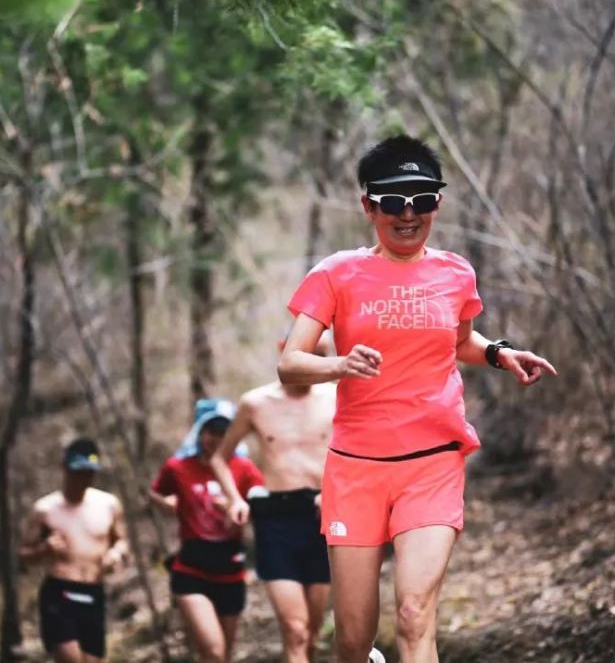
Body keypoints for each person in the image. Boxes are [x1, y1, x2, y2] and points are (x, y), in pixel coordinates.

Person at [277, 135, 557, 663]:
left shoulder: (455, 274)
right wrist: (339, 365)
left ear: (437, 203)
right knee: (354, 642)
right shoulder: (336, 274)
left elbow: (459, 341)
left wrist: (499, 353)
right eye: (393, 202)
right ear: (368, 206)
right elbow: (290, 362)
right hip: (355, 469)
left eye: (422, 200)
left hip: (432, 463)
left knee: (414, 615)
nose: (409, 214)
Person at [209, 332, 337, 663]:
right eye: (312, 356)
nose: (318, 366)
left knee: (311, 631)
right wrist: (235, 499)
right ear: (286, 350)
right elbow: (219, 458)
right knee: (295, 629)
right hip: (276, 521)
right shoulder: (255, 403)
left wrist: (337, 491)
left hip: (324, 516)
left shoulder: (337, 397)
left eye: (324, 356)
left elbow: (362, 452)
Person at [149, 399, 264, 663]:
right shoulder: (178, 467)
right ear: (200, 432)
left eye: (224, 432)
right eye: (211, 431)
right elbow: (155, 492)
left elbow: (260, 507)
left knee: (223, 655)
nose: (217, 438)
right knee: (213, 650)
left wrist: (237, 508)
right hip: (191, 570)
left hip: (231, 571)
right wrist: (167, 504)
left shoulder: (243, 468)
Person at [19, 437, 129, 663]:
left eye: (89, 473)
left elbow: (122, 541)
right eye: (78, 473)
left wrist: (115, 554)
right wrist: (44, 549)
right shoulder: (45, 510)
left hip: (94, 591)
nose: (83, 479)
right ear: (65, 469)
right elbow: (23, 556)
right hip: (60, 593)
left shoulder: (108, 505)